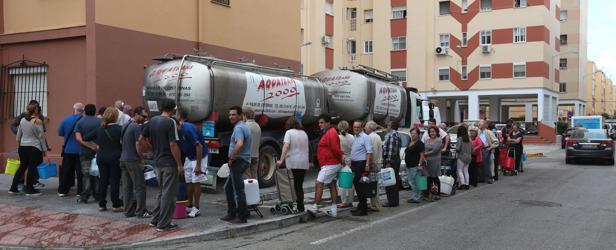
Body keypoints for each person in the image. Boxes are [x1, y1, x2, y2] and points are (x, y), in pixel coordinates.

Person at [141, 99, 183, 231]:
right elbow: (173, 144)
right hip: (169, 162)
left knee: (161, 192)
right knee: (168, 194)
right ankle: (164, 224)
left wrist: (151, 149)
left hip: (157, 161)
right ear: (173, 110)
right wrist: (179, 164)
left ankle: (156, 219)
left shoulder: (153, 120)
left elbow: (140, 139)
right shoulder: (170, 122)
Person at [84, 107, 124, 212]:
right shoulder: (120, 129)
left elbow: (85, 137)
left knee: (103, 181)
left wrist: (95, 146)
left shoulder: (99, 129)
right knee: (114, 180)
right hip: (115, 157)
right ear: (115, 116)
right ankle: (116, 204)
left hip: (101, 157)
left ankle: (102, 204)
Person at [220, 106, 251, 224]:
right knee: (228, 188)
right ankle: (232, 213)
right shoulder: (244, 126)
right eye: (230, 115)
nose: (231, 117)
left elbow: (239, 144)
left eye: (233, 114)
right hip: (242, 160)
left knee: (238, 191)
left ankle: (242, 216)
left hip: (238, 161)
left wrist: (231, 158)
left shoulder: (239, 128)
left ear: (240, 115)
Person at [9, 103, 47, 196]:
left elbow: (18, 135)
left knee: (22, 167)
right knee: (31, 168)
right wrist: (44, 150)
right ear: (36, 110)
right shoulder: (37, 121)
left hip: (23, 147)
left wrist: (19, 145)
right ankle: (29, 189)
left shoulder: (22, 120)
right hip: (34, 147)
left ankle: (13, 188)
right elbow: (41, 137)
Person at [120, 106, 151, 218]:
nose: (145, 119)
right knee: (140, 186)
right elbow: (138, 143)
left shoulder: (125, 125)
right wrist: (142, 158)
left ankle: (128, 211)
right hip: (133, 160)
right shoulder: (136, 127)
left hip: (123, 159)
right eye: (143, 116)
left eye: (147, 117)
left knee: (127, 187)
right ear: (136, 114)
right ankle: (141, 211)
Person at [176, 108, 208, 218]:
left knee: (196, 181)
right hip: (189, 156)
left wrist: (198, 165)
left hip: (199, 156)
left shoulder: (188, 128)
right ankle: (189, 205)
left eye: (176, 114)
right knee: (188, 180)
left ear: (179, 117)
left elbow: (199, 146)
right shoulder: (178, 130)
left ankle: (197, 207)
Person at [310, 115, 343, 217]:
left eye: (322, 122)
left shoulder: (331, 132)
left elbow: (335, 149)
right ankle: (333, 210)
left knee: (319, 183)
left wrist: (342, 158)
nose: (320, 125)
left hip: (330, 164)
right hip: (331, 163)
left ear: (328, 123)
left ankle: (315, 206)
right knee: (332, 185)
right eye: (319, 123)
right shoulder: (329, 132)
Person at [276, 117, 309, 212]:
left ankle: (294, 205)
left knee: (293, 184)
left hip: (293, 162)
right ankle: (300, 206)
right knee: (299, 184)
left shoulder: (289, 132)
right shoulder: (304, 133)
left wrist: (281, 160)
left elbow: (286, 146)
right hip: (303, 162)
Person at [75, 104, 101, 204]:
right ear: (95, 111)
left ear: (85, 111)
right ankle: (97, 194)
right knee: (97, 173)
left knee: (86, 174)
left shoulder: (80, 122)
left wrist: (89, 146)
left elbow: (78, 138)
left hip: (84, 152)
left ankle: (85, 196)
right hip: (98, 151)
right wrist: (96, 147)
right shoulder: (100, 121)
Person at [57, 102, 84, 197]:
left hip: (68, 149)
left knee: (66, 171)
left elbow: (60, 133)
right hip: (81, 149)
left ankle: (63, 190)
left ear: (74, 110)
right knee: (80, 172)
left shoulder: (66, 120)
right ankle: (80, 191)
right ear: (83, 111)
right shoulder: (84, 120)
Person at [349, 120, 373, 216]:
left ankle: (363, 209)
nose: (356, 129)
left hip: (361, 164)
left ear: (362, 128)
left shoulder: (365, 137)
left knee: (361, 186)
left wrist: (367, 165)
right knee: (356, 185)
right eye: (354, 127)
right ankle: (361, 206)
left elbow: (369, 152)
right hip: (354, 164)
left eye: (358, 127)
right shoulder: (354, 137)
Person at [382, 121, 402, 207]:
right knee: (395, 180)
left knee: (389, 181)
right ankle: (395, 200)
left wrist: (388, 162)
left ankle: (391, 201)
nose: (387, 127)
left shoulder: (391, 136)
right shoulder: (397, 136)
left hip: (391, 161)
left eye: (388, 125)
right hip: (396, 160)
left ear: (391, 127)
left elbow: (390, 151)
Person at [337, 120, 355, 209]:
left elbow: (337, 151)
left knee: (343, 184)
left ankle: (344, 202)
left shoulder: (338, 137)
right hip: (351, 160)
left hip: (343, 161)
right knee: (350, 184)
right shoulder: (352, 137)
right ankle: (350, 201)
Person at [365, 121, 382, 211]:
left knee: (373, 186)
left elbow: (372, 152)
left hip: (374, 165)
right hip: (376, 164)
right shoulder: (376, 136)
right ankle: (374, 204)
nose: (365, 128)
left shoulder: (372, 137)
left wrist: (369, 164)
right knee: (374, 185)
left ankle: (375, 205)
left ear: (370, 128)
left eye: (366, 127)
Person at [404, 128, 425, 203]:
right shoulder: (410, 142)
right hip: (409, 165)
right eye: (412, 133)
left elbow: (422, 155)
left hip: (415, 165)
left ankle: (417, 197)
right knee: (411, 182)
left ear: (418, 134)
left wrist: (420, 164)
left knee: (416, 182)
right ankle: (414, 196)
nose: (413, 135)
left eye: (415, 133)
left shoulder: (420, 143)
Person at [424, 126, 443, 201]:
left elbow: (435, 151)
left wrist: (425, 154)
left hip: (435, 160)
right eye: (431, 131)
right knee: (428, 177)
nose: (432, 133)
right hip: (427, 161)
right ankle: (430, 193)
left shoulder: (439, 140)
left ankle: (437, 194)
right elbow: (424, 148)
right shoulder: (427, 140)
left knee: (435, 177)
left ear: (437, 132)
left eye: (433, 131)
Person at [243, 107, 261, 180]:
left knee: (247, 177)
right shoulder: (257, 126)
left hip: (246, 155)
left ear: (245, 115)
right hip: (255, 155)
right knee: (254, 177)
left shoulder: (245, 126)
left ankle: (248, 191)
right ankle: (254, 190)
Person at [478, 120, 498, 184]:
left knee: (486, 164)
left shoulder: (488, 132)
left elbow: (496, 141)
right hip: (479, 149)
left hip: (486, 149)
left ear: (484, 126)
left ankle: (489, 178)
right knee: (480, 164)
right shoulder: (478, 132)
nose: (478, 125)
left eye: (480, 124)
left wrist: (490, 147)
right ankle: (481, 178)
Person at [456, 125, 472, 190]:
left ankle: (462, 184)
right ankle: (467, 184)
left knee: (459, 170)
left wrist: (456, 150)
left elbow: (458, 148)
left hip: (461, 156)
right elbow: (472, 148)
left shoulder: (460, 138)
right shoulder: (469, 138)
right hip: (469, 156)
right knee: (466, 170)